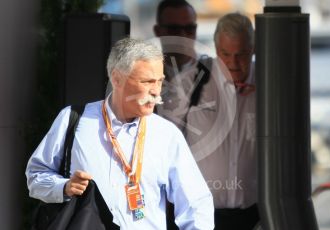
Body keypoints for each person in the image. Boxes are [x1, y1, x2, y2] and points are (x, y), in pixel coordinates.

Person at [26, 37, 214, 230]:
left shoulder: (167, 135)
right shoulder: (73, 119)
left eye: (160, 81)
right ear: (117, 79)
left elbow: (196, 204)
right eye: (147, 81)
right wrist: (64, 187)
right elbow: (35, 176)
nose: (157, 92)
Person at [185, 13, 259, 229]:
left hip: (255, 215)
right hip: (202, 216)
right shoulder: (191, 83)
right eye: (226, 54)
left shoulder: (268, 84)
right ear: (216, 50)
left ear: (253, 49)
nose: (234, 63)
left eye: (242, 54)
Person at [153, 0, 213, 131]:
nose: (183, 35)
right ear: (157, 31)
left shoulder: (215, 72)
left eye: (189, 29)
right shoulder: (143, 76)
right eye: (174, 29)